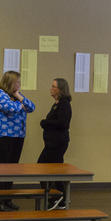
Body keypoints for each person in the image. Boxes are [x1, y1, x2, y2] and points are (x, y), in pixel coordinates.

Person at [0, 70, 35, 211]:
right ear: (9, 82)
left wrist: (19, 98)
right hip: (2, 136)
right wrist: (21, 103)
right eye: (17, 82)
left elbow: (31, 107)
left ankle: (7, 199)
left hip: (17, 136)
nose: (19, 84)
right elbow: (9, 109)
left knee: (11, 170)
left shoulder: (15, 96)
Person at [38, 77, 72, 210]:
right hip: (51, 143)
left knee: (49, 168)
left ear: (60, 90)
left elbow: (63, 123)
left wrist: (45, 123)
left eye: (54, 87)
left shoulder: (64, 104)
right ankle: (55, 196)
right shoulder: (57, 103)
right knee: (45, 168)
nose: (51, 89)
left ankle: (60, 196)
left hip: (57, 143)